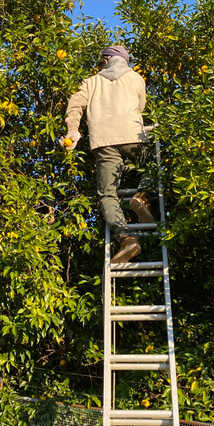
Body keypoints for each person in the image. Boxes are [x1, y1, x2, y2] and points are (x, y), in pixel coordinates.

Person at [61, 45, 154, 263]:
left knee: (107, 194)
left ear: (105, 61)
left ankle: (127, 238)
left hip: (104, 142)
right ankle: (142, 196)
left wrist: (72, 130)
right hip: (133, 136)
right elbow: (141, 106)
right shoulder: (136, 78)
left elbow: (75, 105)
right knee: (154, 167)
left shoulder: (90, 82)